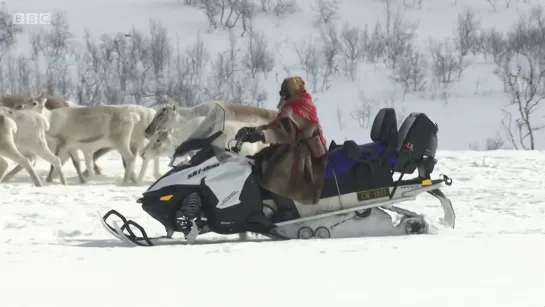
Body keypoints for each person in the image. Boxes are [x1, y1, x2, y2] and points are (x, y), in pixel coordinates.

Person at [235, 76, 328, 205]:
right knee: (259, 158)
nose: (282, 96)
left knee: (273, 173)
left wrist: (261, 135)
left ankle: (281, 208)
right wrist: (253, 130)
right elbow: (276, 126)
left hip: (302, 156)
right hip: (293, 148)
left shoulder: (295, 109)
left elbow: (285, 134)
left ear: (292, 91)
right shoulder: (299, 105)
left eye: (285, 92)